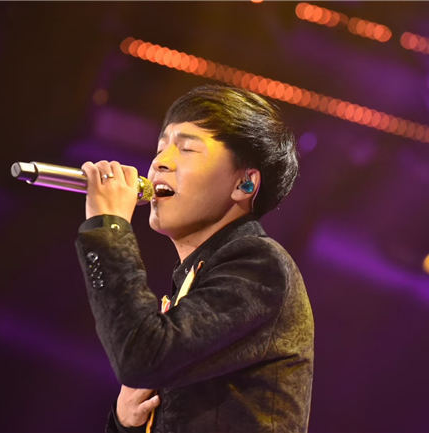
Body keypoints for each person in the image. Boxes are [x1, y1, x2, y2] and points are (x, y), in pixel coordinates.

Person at [75, 84, 314, 433]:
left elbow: (141, 357)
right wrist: (126, 424)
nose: (159, 162)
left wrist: (108, 228)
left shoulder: (260, 265)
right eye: (160, 148)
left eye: (186, 149)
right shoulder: (193, 279)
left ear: (244, 185)